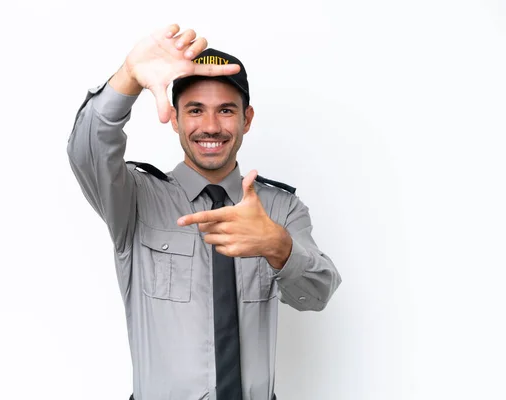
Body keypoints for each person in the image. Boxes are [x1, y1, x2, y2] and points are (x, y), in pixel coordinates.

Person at [66, 23, 342, 400]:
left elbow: (318, 292)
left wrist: (279, 246)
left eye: (226, 110)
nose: (210, 126)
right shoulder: (134, 198)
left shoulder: (280, 207)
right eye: (195, 110)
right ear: (175, 118)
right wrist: (128, 77)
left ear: (246, 119)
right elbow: (86, 151)